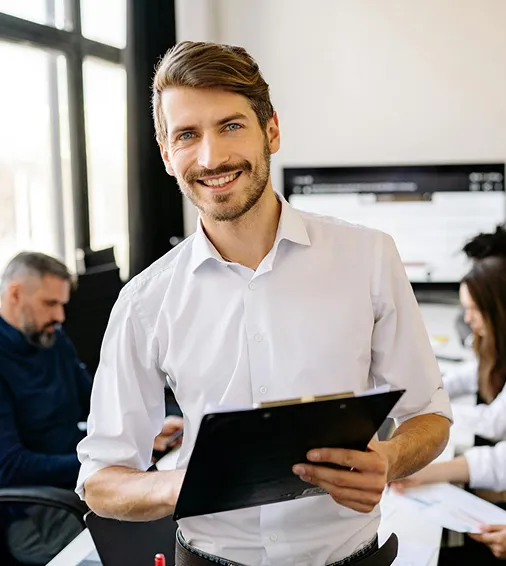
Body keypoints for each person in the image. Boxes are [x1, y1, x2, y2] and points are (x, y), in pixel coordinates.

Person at [76, 41, 451, 566]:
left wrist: (388, 458)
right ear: (166, 155)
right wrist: (187, 483)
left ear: (271, 130)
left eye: (231, 125)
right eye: (187, 135)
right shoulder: (144, 301)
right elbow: (99, 481)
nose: (211, 158)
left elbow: (430, 417)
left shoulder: (369, 256)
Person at [0, 252, 183, 565]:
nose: (60, 316)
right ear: (15, 294)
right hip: (36, 512)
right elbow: (10, 466)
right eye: (50, 303)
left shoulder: (52, 340)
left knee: (174, 528)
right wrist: (98, 470)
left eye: (62, 304)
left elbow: (96, 401)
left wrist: (149, 431)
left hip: (78, 487)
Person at [442, 235, 506, 442]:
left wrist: (434, 410)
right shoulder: (496, 343)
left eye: (474, 309)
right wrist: (437, 388)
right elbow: (478, 371)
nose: (467, 319)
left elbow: (494, 424)